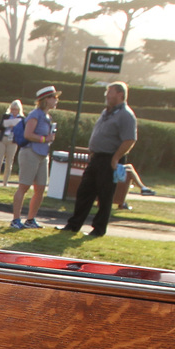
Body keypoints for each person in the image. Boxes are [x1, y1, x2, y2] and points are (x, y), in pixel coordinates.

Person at [62, 81, 137, 238]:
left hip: (110, 159)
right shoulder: (107, 112)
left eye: (110, 92)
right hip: (96, 158)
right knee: (85, 191)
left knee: (105, 195)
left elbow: (129, 140)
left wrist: (116, 158)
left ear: (120, 94)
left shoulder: (126, 115)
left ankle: (99, 229)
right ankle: (74, 225)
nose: (106, 95)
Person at [9, 85, 58, 230]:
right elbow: (28, 134)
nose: (56, 100)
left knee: (40, 188)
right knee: (24, 186)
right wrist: (45, 139)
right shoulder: (35, 114)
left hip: (43, 155)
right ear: (45, 99)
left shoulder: (47, 116)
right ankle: (16, 219)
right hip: (31, 153)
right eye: (53, 97)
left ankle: (30, 220)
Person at [0, 99, 22, 186]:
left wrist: (15, 127)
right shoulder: (6, 116)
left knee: (9, 162)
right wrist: (6, 124)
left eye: (16, 109)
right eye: (12, 109)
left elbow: (22, 131)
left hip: (12, 141)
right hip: (3, 139)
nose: (14, 111)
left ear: (19, 110)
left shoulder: (21, 119)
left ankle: (5, 182)